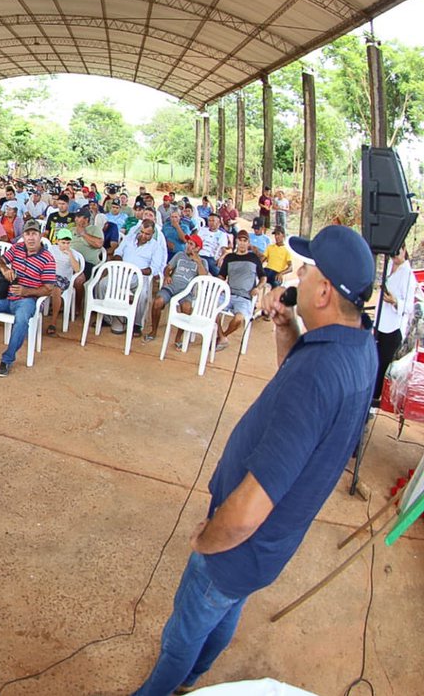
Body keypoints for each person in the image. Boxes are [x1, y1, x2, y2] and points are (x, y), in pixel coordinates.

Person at [131, 225, 376, 696]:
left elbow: (251, 506)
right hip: (268, 550)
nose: (295, 276)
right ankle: (195, 681)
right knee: (224, 610)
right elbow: (301, 402)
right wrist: (287, 327)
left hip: (241, 544)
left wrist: (210, 538)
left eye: (305, 271)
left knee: (183, 631)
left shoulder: (319, 376)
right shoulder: (355, 346)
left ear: (323, 292)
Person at [0, 220, 56, 377]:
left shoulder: (47, 258)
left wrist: (26, 291)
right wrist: (5, 268)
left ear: (40, 236)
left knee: (21, 319)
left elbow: (48, 289)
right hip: (6, 295)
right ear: (23, 236)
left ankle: (7, 359)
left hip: (27, 299)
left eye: (34, 234)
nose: (31, 238)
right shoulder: (17, 248)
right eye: (27, 234)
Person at [144, 234, 209, 343]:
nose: (188, 246)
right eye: (187, 243)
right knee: (157, 302)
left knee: (187, 308)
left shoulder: (203, 262)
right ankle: (153, 331)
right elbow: (167, 268)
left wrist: (197, 261)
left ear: (197, 248)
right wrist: (167, 275)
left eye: (191, 244)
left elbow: (204, 277)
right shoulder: (179, 255)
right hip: (172, 286)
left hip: (186, 291)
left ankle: (178, 337)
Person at [373, 246, 415, 407]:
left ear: (404, 250)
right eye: (392, 255)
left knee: (382, 365)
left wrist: (395, 301)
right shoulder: (389, 267)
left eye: (397, 253)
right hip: (380, 321)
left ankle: (374, 401)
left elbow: (410, 306)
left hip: (393, 327)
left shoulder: (409, 275)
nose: (395, 257)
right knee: (373, 360)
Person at [107, 220, 165, 335]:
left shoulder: (156, 247)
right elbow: (118, 252)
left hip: (139, 276)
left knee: (142, 293)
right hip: (122, 273)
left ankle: (136, 324)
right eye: (142, 232)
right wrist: (121, 264)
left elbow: (153, 269)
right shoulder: (129, 239)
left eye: (147, 234)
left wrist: (135, 271)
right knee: (103, 284)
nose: (143, 236)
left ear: (152, 233)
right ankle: (107, 318)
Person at [216, 231, 264, 351]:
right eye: (240, 240)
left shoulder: (253, 258)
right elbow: (221, 276)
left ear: (248, 243)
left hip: (245, 297)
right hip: (228, 294)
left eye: (245, 241)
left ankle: (223, 335)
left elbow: (263, 277)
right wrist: (217, 286)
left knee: (239, 319)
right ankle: (222, 337)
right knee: (211, 309)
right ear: (236, 241)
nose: (242, 243)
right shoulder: (229, 257)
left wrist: (258, 288)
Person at [44, 227, 80, 335]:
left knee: (56, 290)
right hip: (50, 275)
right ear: (57, 241)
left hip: (63, 279)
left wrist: (70, 255)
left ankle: (53, 322)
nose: (65, 245)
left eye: (68, 243)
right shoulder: (52, 249)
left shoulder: (72, 253)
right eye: (63, 242)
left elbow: (77, 269)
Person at [262, 226, 292, 291]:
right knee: (252, 278)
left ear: (283, 235)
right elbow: (261, 260)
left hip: (277, 273)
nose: (276, 236)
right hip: (266, 270)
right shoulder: (270, 247)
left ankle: (271, 300)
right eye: (275, 234)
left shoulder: (287, 250)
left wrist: (281, 273)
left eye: (278, 234)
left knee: (276, 285)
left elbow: (290, 268)